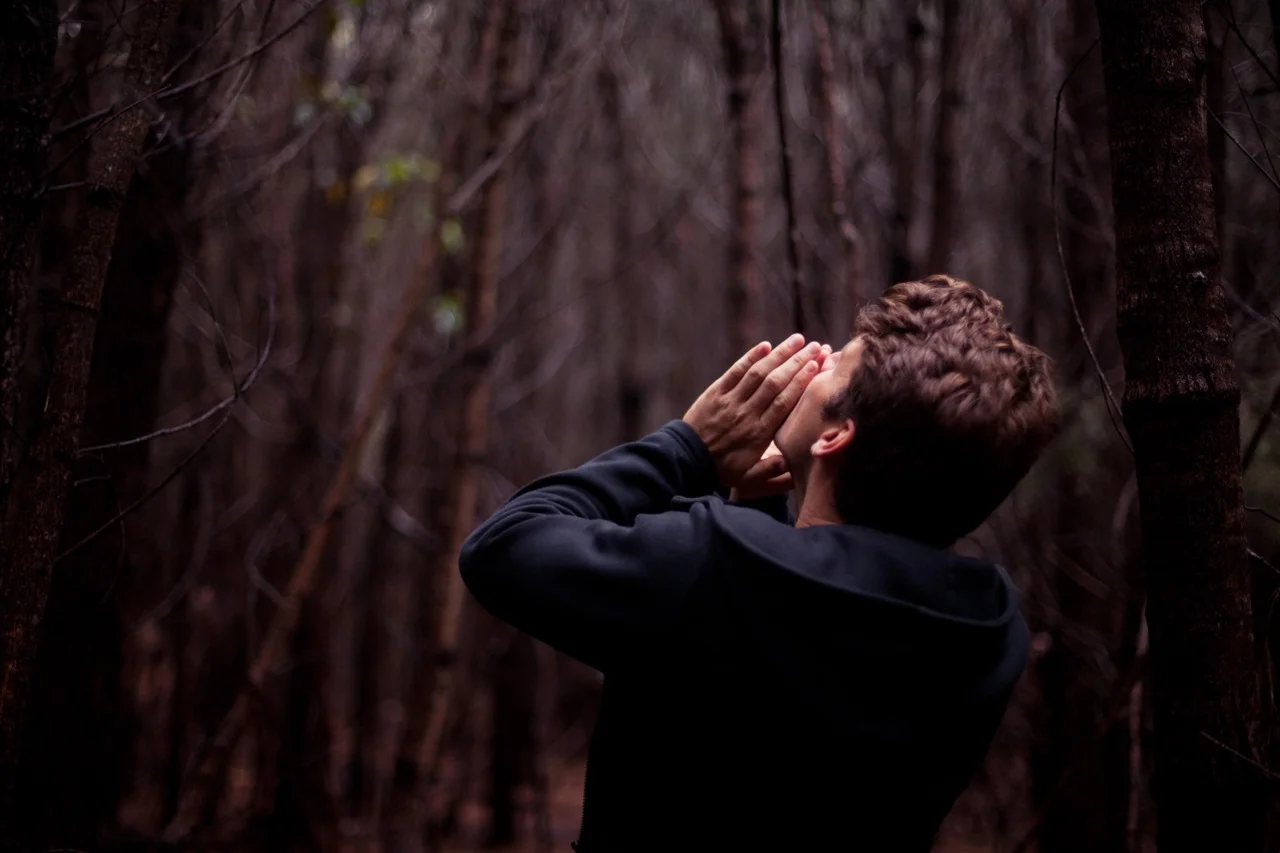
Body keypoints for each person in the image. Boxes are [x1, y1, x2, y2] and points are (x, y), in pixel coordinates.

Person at [460, 275, 1059, 851]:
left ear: (834, 437)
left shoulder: (715, 565)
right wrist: (761, 502)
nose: (816, 364)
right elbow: (803, 635)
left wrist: (686, 448)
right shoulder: (993, 632)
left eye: (834, 366)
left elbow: (504, 547)